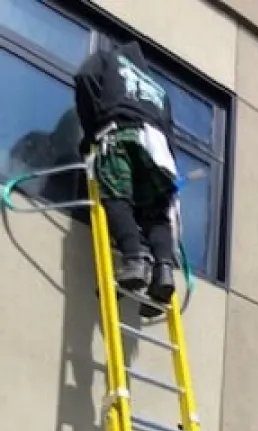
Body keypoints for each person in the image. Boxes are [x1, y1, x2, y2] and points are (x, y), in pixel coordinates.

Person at [74, 40, 179, 315]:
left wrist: (91, 130)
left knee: (116, 194)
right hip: (159, 149)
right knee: (156, 213)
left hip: (121, 133)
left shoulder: (108, 59)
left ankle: (134, 258)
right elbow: (170, 131)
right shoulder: (159, 90)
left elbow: (84, 77)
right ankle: (163, 270)